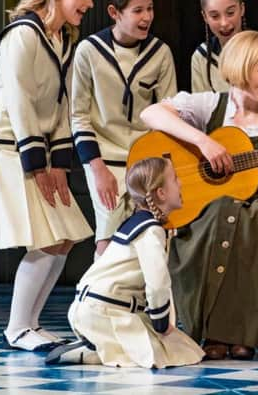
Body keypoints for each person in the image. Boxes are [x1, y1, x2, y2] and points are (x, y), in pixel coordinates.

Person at [140, 30, 258, 360]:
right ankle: (211, 332)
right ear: (241, 67)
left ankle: (245, 333)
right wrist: (203, 141)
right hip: (215, 198)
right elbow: (151, 114)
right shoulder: (209, 104)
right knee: (218, 216)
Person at [0, 0, 96, 351]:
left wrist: (61, 165)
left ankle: (28, 324)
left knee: (64, 238)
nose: (89, 4)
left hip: (35, 149)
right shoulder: (22, 35)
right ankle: (18, 327)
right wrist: (38, 164)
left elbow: (62, 105)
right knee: (51, 239)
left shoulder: (63, 38)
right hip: (5, 148)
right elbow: (18, 101)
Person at [45, 157, 205, 367]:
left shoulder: (138, 222)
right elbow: (157, 285)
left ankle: (98, 345)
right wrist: (162, 324)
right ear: (161, 193)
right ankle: (93, 351)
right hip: (102, 313)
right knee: (176, 353)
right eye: (175, 179)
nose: (181, 183)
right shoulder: (150, 230)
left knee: (184, 347)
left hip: (89, 308)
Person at [71, 0, 177, 261]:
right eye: (138, 10)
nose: (147, 17)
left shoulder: (160, 53)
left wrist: (166, 169)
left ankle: (145, 304)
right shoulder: (89, 51)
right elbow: (78, 116)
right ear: (114, 13)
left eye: (150, 9)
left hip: (147, 161)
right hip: (105, 160)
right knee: (107, 240)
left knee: (153, 237)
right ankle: (97, 302)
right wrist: (98, 169)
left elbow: (170, 116)